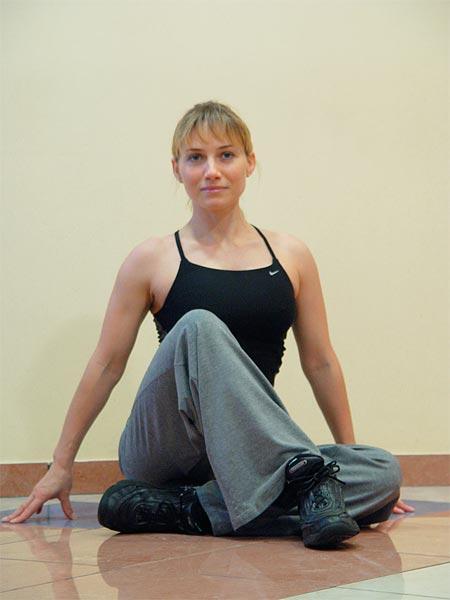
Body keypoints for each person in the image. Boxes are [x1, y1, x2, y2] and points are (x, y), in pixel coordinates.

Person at [3, 101, 413, 548]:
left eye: (226, 155)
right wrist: (61, 464)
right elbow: (106, 364)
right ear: (177, 169)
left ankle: (196, 509)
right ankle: (307, 485)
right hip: (164, 450)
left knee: (383, 471)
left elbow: (320, 362)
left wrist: (347, 455)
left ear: (250, 163)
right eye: (196, 158)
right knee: (199, 324)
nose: (211, 171)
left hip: (244, 456)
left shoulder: (292, 256)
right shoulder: (151, 258)